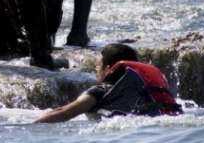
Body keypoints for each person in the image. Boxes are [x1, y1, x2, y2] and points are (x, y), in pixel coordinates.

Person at [35, 43, 182, 123]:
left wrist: (31, 126)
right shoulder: (148, 90)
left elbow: (65, 113)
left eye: (98, 66)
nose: (96, 70)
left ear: (107, 69)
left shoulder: (101, 90)